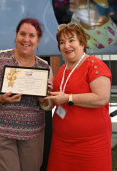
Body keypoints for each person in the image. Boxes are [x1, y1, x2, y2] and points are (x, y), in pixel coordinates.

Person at [0, 18, 54, 171]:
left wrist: (43, 100)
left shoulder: (44, 67)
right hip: (1, 131)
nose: (26, 39)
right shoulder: (0, 58)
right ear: (16, 36)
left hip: (33, 133)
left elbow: (49, 105)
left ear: (38, 40)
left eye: (32, 36)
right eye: (22, 34)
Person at [45, 22, 112, 171]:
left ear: (82, 42)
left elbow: (101, 98)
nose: (66, 46)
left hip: (91, 144)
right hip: (61, 143)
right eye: (62, 42)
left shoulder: (94, 64)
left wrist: (68, 98)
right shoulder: (62, 68)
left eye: (71, 40)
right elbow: (57, 101)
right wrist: (44, 99)